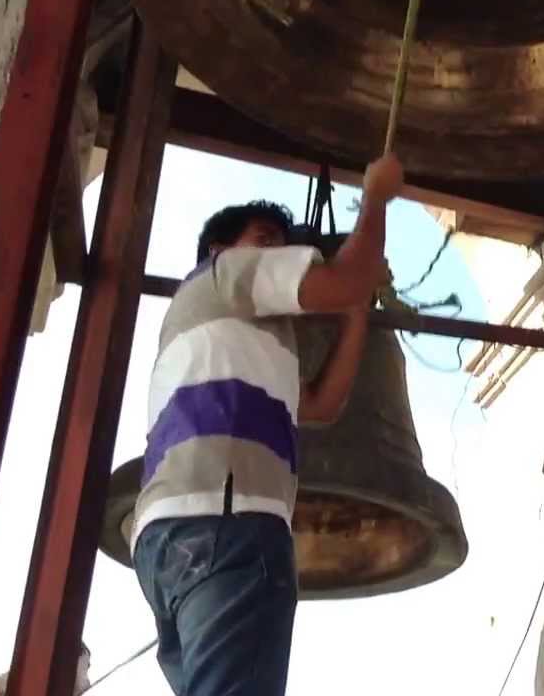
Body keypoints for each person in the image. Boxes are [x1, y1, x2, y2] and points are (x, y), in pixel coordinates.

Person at [130, 153, 405, 696]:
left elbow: (322, 404)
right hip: (228, 523)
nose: (277, 252)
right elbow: (345, 278)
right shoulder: (227, 273)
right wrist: (375, 198)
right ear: (220, 249)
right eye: (265, 239)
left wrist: (355, 308)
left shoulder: (245, 338)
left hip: (167, 542)